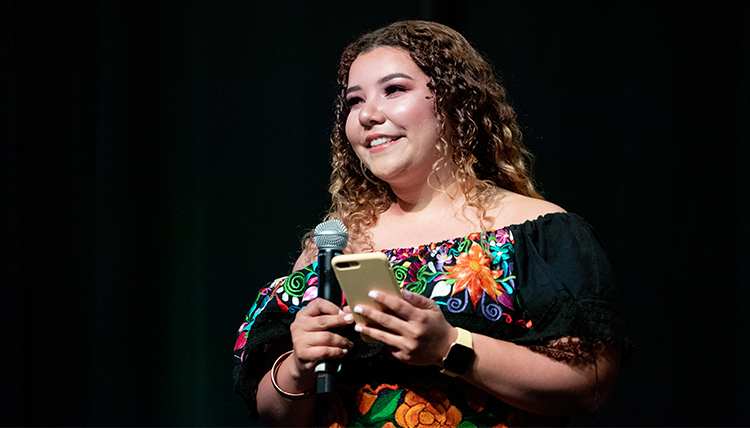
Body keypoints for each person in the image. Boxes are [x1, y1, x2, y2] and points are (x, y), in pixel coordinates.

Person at [233, 20, 632, 427]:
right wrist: (298, 366)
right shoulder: (333, 247)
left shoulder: (538, 232)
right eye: (354, 101)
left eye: (394, 90)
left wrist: (449, 346)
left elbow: (589, 384)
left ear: (455, 101)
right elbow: (276, 415)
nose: (368, 114)